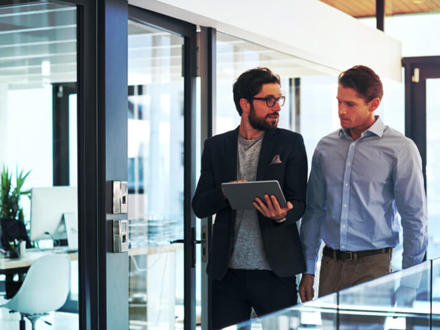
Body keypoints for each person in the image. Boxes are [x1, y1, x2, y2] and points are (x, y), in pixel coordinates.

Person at [299, 65, 427, 303]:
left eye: (350, 104)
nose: (341, 110)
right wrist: (308, 270)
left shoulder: (400, 148)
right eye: (338, 102)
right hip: (330, 266)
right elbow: (314, 211)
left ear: (373, 103)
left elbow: (414, 218)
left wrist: (410, 283)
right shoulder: (325, 148)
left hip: (373, 268)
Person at [192, 67, 308, 329]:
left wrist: (284, 214)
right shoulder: (216, 146)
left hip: (276, 273)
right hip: (227, 275)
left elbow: (300, 202)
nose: (276, 106)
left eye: (279, 99)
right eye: (269, 100)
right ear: (245, 104)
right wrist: (225, 192)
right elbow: (199, 205)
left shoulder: (291, 143)